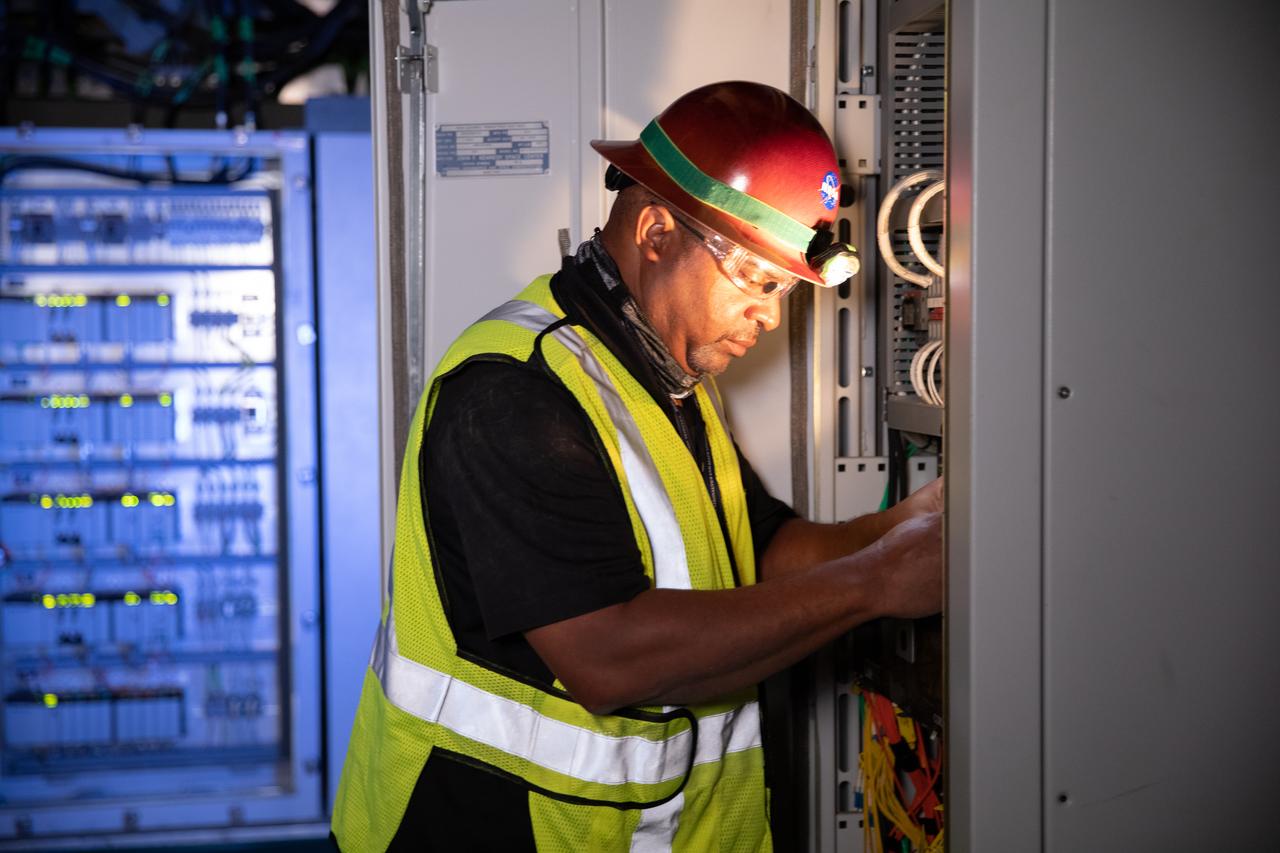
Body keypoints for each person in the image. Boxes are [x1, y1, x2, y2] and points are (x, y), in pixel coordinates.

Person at [331, 80, 942, 853]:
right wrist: (875, 581)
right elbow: (607, 656)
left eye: (784, 288)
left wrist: (913, 525)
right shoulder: (515, 391)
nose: (770, 313)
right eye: (757, 280)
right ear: (656, 231)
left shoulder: (665, 380)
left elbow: (763, 551)